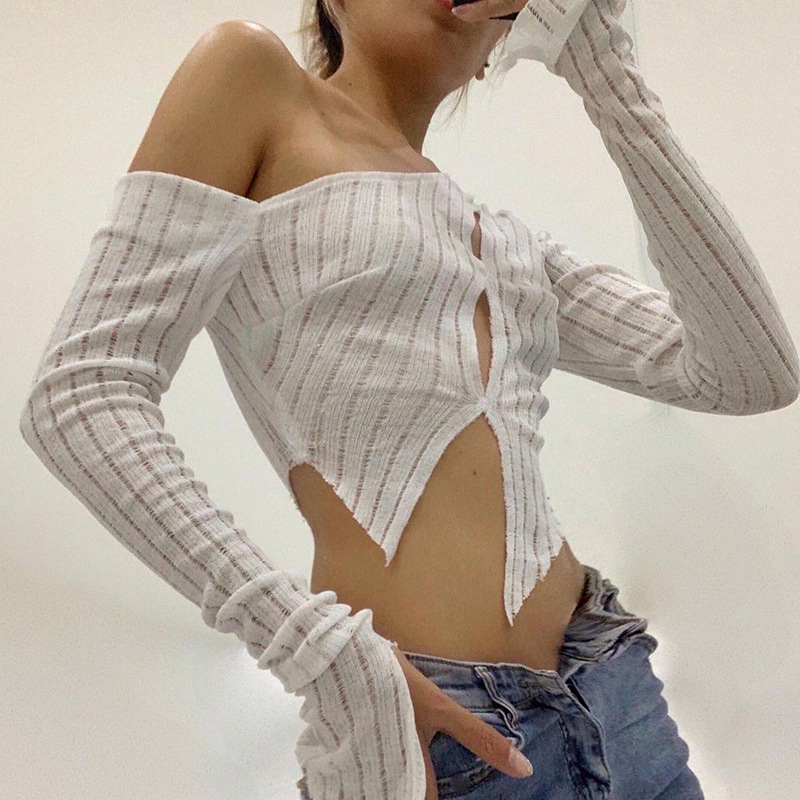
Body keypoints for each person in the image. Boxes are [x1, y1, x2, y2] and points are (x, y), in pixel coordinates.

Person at [18, 1, 799, 799]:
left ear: (500, 44)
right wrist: (322, 653)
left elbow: (752, 373)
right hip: (432, 732)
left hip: (618, 692)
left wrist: (604, 71)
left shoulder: (509, 246)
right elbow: (83, 390)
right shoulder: (255, 79)